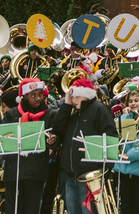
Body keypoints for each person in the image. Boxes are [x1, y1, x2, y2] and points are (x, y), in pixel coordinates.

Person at [49, 77, 117, 214]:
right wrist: (66, 104)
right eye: (72, 97)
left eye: (76, 97)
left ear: (86, 95)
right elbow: (59, 129)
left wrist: (104, 172)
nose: (73, 100)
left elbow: (111, 138)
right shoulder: (74, 114)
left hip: (89, 178)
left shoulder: (100, 110)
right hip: (70, 175)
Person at [1, 79, 52, 214]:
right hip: (14, 170)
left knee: (32, 209)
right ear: (24, 96)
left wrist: (53, 140)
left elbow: (55, 135)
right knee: (12, 209)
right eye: (33, 95)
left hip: (36, 171)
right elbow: (2, 140)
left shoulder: (49, 113)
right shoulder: (11, 114)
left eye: (40, 94)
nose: (38, 98)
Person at [115, 84, 139, 214]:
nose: (133, 103)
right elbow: (119, 139)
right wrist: (124, 116)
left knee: (138, 208)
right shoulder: (124, 118)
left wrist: (131, 154)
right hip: (123, 171)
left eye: (136, 101)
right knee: (124, 208)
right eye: (130, 101)